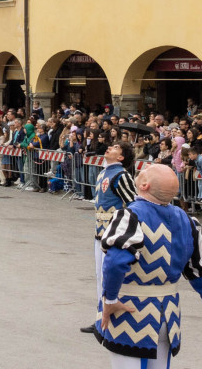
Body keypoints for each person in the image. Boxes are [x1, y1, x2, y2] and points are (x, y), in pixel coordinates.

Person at [96, 163, 202, 366]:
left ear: (144, 185)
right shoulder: (188, 222)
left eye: (143, 173)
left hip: (129, 313)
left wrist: (110, 299)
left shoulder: (130, 216)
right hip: (167, 317)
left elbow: (115, 263)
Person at [81, 141, 137, 335]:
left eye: (115, 148)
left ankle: (109, 319)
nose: (110, 148)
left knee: (109, 277)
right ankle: (100, 317)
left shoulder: (122, 176)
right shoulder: (103, 173)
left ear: (121, 157)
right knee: (100, 277)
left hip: (114, 236)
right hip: (100, 233)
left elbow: (133, 204)